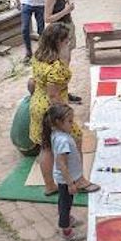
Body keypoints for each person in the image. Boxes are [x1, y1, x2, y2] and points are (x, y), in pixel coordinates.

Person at [29, 23, 86, 195]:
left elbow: (33, 82)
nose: (69, 42)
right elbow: (54, 96)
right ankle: (79, 179)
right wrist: (66, 115)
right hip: (52, 108)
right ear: (58, 42)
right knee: (75, 138)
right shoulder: (56, 67)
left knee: (46, 147)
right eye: (66, 40)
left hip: (37, 104)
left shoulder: (38, 56)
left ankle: (49, 186)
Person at [43, 103, 99, 241]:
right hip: (66, 179)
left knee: (65, 202)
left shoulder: (57, 134)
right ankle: (66, 230)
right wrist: (70, 183)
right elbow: (61, 163)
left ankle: (67, 219)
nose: (72, 124)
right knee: (65, 204)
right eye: (69, 121)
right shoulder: (63, 140)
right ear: (58, 122)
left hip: (67, 178)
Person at [43, 0, 81, 105]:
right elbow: (47, 18)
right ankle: (58, 94)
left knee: (67, 62)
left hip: (68, 27)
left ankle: (64, 91)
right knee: (60, 64)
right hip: (58, 31)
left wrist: (69, 9)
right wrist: (65, 11)